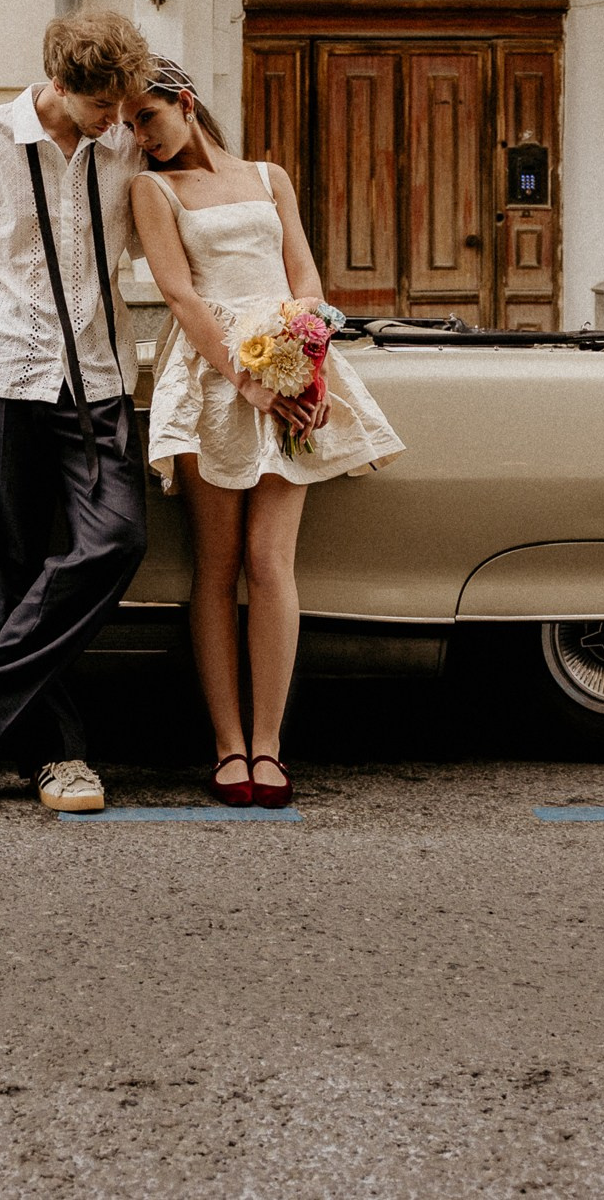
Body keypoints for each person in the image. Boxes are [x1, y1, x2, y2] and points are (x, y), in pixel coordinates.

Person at [124, 59, 403, 809]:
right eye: (127, 125)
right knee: (216, 564)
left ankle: (271, 745)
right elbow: (182, 296)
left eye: (146, 117)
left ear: (185, 102)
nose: (138, 136)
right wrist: (248, 380)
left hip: (290, 362)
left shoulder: (269, 175)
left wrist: (303, 371)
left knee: (269, 559)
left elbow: (304, 277)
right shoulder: (152, 189)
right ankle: (227, 746)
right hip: (214, 373)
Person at [0, 9, 155, 814]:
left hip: (99, 378)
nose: (115, 121)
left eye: (122, 106)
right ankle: (58, 758)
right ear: (60, 84)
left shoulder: (124, 141)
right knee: (10, 572)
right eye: (101, 107)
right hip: (4, 375)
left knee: (117, 536)